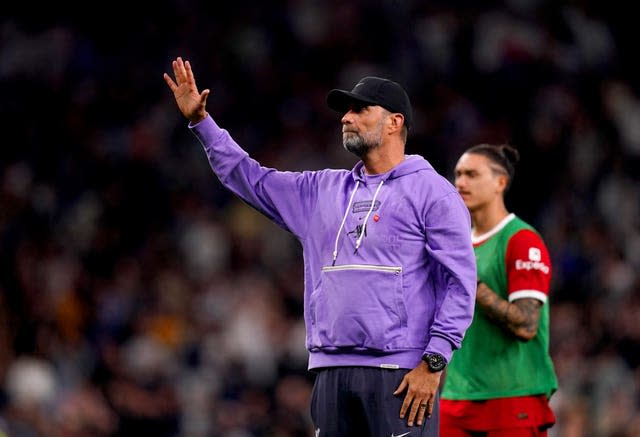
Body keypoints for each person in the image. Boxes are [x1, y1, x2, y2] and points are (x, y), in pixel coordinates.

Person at [164, 57, 477, 437]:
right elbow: (250, 178)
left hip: (402, 374)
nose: (346, 118)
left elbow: (460, 283)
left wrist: (433, 362)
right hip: (331, 372)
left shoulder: (433, 193)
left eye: (360, 110)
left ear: (395, 122)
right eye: (345, 111)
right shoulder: (320, 191)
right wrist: (202, 124)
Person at [441, 144, 558, 436]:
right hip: (456, 397)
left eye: (471, 174)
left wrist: (471, 283)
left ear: (500, 183)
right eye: (458, 174)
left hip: (511, 396)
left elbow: (527, 324)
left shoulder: (521, 240)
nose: (460, 183)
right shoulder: (456, 246)